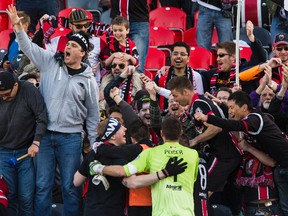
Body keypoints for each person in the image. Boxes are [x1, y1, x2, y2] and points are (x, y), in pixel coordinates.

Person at [7, 5, 100, 216]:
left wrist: (94, 144)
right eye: (68, 44)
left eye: (74, 45)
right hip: (45, 136)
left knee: (70, 187)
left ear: (83, 53)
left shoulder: (89, 80)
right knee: (42, 187)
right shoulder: (50, 62)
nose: (67, 47)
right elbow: (28, 48)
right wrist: (17, 27)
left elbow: (93, 114)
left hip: (72, 138)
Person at [194, 90, 288, 215]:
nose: (230, 111)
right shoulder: (252, 119)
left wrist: (208, 118)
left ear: (244, 107)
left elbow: (236, 125)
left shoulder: (256, 119)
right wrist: (220, 105)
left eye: (232, 107)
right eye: (228, 108)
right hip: (281, 168)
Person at [90, 116, 198, 216]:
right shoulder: (193, 154)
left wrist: (98, 168)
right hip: (186, 212)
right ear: (181, 133)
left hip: (160, 212)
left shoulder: (151, 153)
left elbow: (123, 172)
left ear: (161, 133)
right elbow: (193, 179)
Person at [167, 76, 242, 197]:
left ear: (185, 92)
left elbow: (216, 127)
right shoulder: (199, 102)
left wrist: (194, 141)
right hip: (224, 153)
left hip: (225, 156)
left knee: (202, 192)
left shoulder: (199, 104)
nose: (174, 100)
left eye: (175, 95)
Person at [0, 72, 47, 215]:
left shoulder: (28, 90)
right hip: (3, 151)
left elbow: (41, 115)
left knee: (26, 197)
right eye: (1, 95)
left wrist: (36, 142)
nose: (4, 98)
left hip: (26, 152)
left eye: (7, 94)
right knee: (10, 195)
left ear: (15, 85)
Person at [73, 118, 128, 216]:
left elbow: (76, 181)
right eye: (120, 128)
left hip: (91, 211)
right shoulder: (122, 156)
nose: (125, 129)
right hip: (113, 211)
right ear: (113, 136)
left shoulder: (92, 154)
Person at [43, 8, 106, 85]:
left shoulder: (97, 41)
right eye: (79, 26)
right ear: (70, 26)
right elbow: (46, 61)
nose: (83, 29)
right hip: (65, 85)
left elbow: (108, 64)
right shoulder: (58, 41)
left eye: (86, 25)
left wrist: (103, 69)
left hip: (92, 85)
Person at [154, 42, 204, 111]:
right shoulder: (161, 76)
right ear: (171, 56)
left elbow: (199, 100)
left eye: (182, 54)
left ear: (188, 58)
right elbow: (155, 100)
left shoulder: (197, 76)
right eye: (175, 53)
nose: (178, 56)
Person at [110, 0, 149, 73]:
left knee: (138, 65)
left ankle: (135, 84)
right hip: (117, 20)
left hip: (138, 19)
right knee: (114, 63)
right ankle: (114, 84)